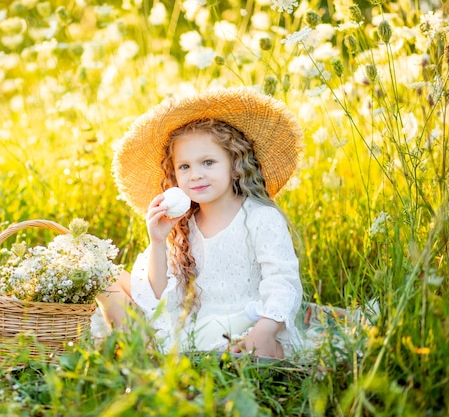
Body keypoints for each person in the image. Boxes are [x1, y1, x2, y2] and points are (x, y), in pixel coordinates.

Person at [92, 87, 304, 358]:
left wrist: (264, 330)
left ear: (235, 164)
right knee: (106, 278)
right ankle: (145, 362)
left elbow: (282, 282)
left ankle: (161, 362)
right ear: (174, 174)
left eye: (208, 162)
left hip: (245, 325)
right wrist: (157, 241)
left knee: (261, 352)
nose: (196, 175)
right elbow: (158, 298)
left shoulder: (260, 217)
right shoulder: (183, 225)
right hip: (194, 330)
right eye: (185, 167)